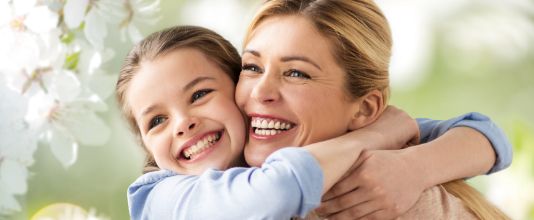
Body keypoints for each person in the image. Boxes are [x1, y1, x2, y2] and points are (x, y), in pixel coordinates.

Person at [236, 0, 511, 219]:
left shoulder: (372, 194)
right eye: (251, 67)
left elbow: (487, 134)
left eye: (296, 73)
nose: (261, 92)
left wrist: (413, 168)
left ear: (364, 110)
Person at [119, 25, 422, 219]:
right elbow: (277, 190)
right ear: (145, 143)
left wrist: (423, 165)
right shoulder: (159, 199)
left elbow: (459, 129)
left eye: (199, 94)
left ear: (240, 90)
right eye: (157, 120)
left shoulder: (278, 150)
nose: (183, 124)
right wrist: (370, 137)